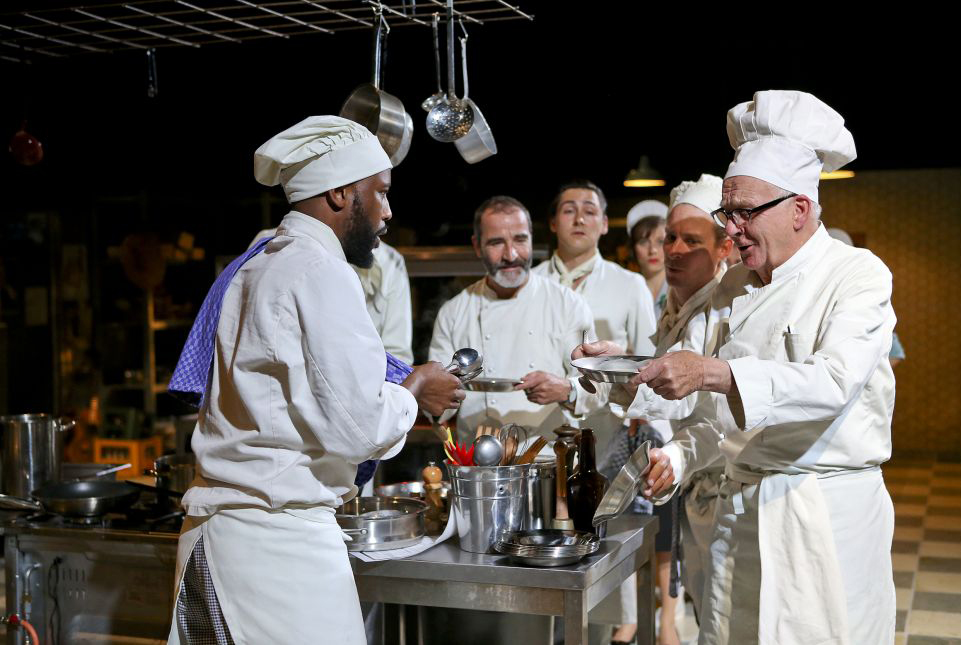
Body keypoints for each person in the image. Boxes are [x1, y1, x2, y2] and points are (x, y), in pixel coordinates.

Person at [580, 90, 897, 644]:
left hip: (822, 519)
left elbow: (832, 382)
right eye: (727, 214)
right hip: (739, 516)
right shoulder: (733, 288)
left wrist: (713, 373)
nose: (731, 230)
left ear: (800, 209)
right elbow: (711, 410)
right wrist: (628, 377)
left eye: (745, 213)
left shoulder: (856, 275)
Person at [165, 116, 464, 644]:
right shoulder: (320, 271)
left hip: (226, 535)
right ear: (341, 192)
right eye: (380, 192)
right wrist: (416, 388)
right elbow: (361, 427)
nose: (387, 211)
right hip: (275, 551)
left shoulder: (255, 265)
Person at [532, 181, 657, 645]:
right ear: (552, 223)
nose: (579, 218)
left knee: (602, 553)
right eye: (568, 209)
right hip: (539, 438)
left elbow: (648, 361)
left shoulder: (629, 286)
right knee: (540, 550)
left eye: (590, 210)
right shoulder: (531, 283)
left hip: (604, 440)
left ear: (605, 224)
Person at [614, 174, 731, 636]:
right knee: (707, 611)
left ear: (724, 248)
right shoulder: (677, 306)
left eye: (692, 241)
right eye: (671, 238)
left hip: (725, 492)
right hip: (694, 487)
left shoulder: (725, 310)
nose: (675, 250)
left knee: (723, 618)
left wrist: (622, 376)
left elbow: (695, 404)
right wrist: (616, 370)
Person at [428, 195, 606, 442]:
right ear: (477, 246)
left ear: (531, 239)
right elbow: (436, 403)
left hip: (549, 455)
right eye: (496, 243)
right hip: (478, 456)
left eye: (520, 240)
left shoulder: (567, 304)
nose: (510, 255)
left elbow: (598, 388)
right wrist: (432, 395)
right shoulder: (454, 312)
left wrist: (567, 390)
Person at [249, 229, 413, 363]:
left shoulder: (391, 262)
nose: (387, 212)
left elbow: (397, 354)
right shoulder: (269, 245)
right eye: (381, 198)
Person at [626, 200, 670, 317]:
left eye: (660, 241)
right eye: (643, 242)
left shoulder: (684, 291)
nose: (652, 250)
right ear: (633, 248)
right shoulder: (625, 292)